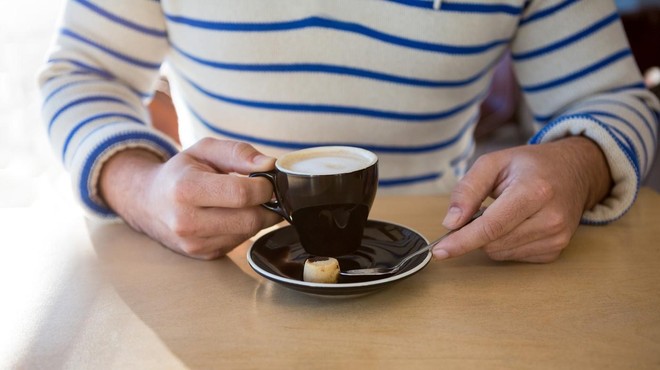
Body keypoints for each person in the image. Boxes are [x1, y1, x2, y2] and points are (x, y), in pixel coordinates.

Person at [39, 0, 659, 262]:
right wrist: (140, 187)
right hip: (221, 269)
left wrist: (579, 165)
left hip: (445, 264)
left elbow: (611, 97)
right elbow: (81, 72)